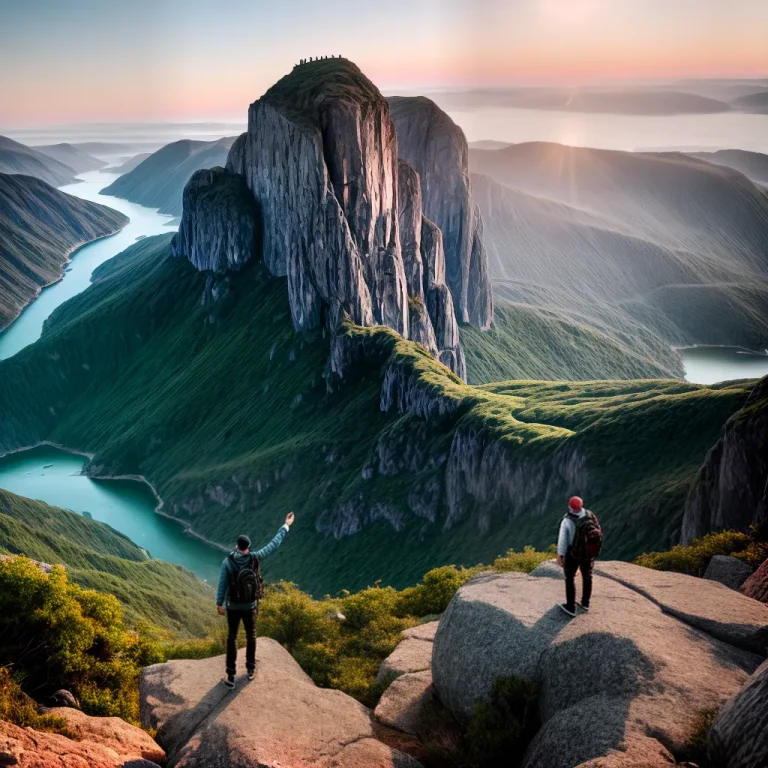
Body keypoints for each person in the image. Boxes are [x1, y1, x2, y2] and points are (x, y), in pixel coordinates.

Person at [216, 512, 295, 688]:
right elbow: (274, 544)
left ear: (237, 546)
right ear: (248, 547)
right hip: (251, 605)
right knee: (251, 636)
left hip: (233, 606)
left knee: (232, 638)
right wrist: (286, 525)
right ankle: (250, 670)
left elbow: (222, 585)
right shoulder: (255, 557)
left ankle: (230, 676)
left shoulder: (227, 562)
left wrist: (218, 604)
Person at [556, 496, 603, 618]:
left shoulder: (567, 520)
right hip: (588, 552)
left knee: (569, 577)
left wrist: (560, 555)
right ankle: (585, 604)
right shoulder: (590, 515)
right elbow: (598, 530)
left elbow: (563, 540)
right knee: (587, 576)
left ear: (570, 506)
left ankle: (570, 607)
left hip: (574, 553)